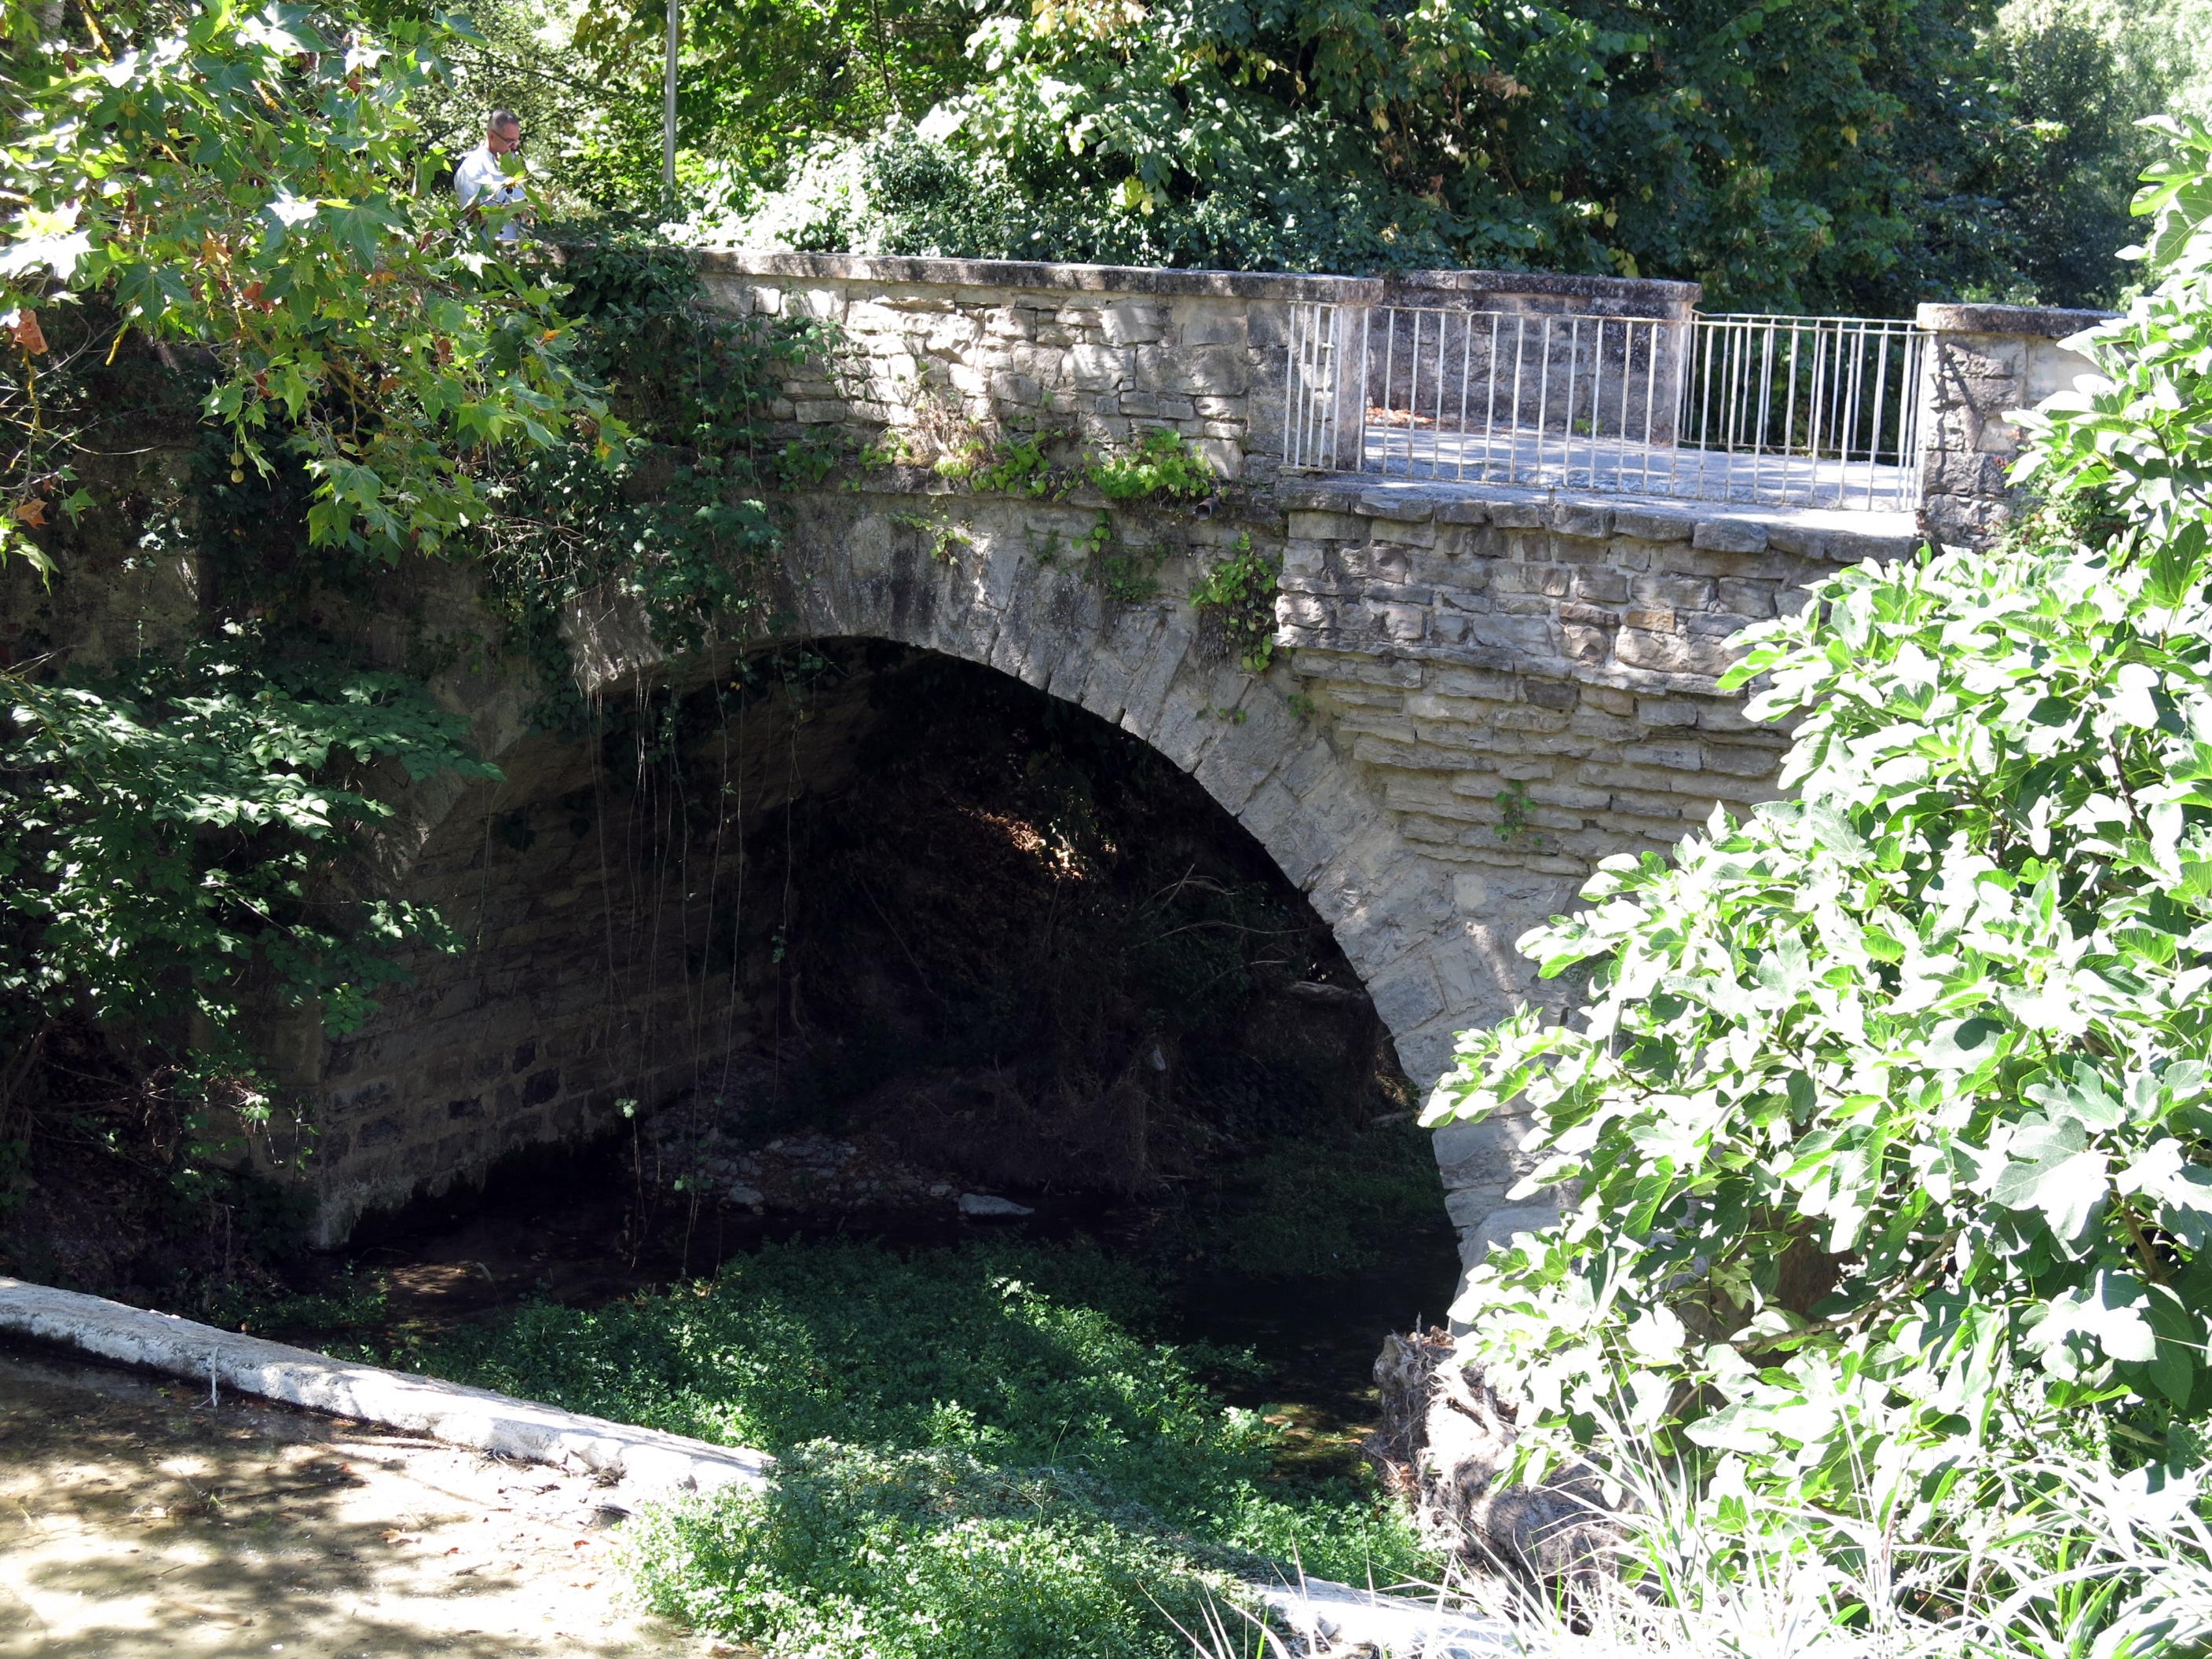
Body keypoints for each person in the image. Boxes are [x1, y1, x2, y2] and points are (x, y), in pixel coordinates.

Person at [454, 110, 528, 244]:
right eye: (509, 141)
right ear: (491, 136)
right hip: (485, 251)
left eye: (516, 141)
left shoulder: (514, 164)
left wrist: (528, 209)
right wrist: (509, 210)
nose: (515, 146)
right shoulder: (473, 168)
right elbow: (471, 218)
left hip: (514, 251)